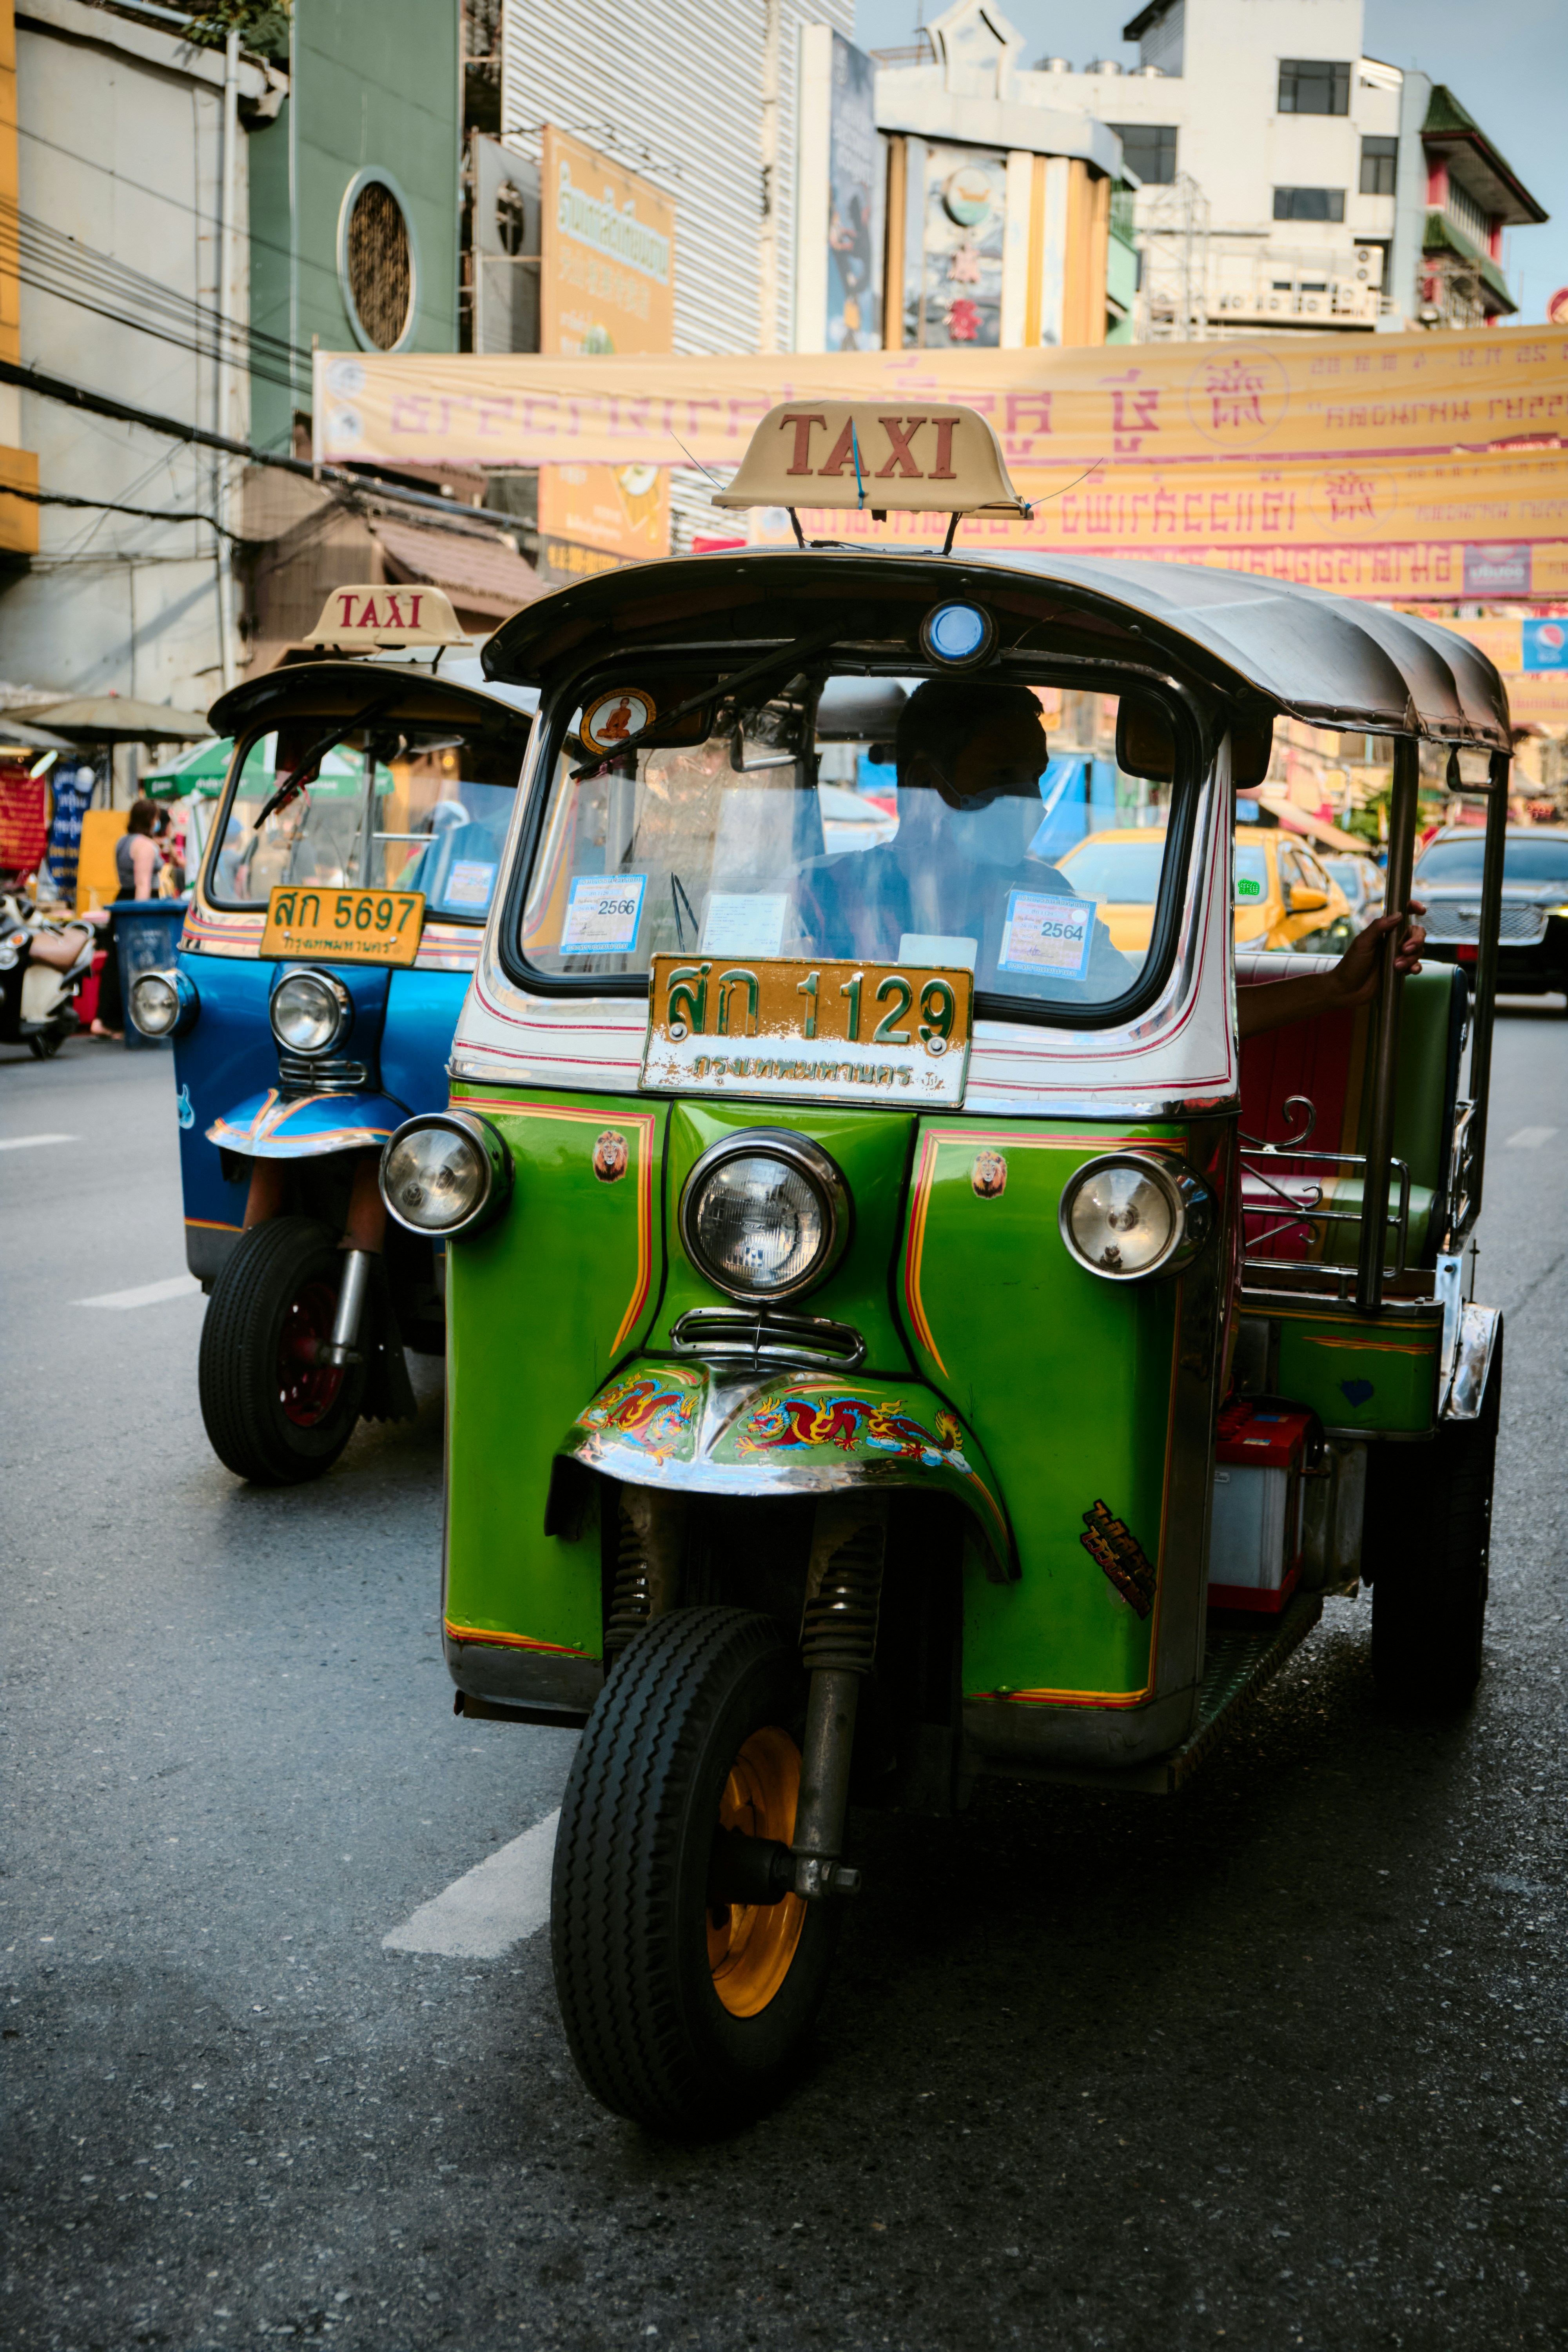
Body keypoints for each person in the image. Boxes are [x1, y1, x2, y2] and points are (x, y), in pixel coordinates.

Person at [815, 680, 1426, 1019]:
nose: (1028, 798)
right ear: (926, 784)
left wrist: (1335, 987)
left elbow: (1152, 1016)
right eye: (1005, 773)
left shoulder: (1042, 901)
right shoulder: (823, 897)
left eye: (1034, 775)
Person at [90, 797, 161, 1039]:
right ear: (151, 820)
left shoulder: (123, 842)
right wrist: (140, 921)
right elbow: (143, 884)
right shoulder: (144, 845)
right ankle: (122, 1020)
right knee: (137, 964)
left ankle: (104, 1019)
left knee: (115, 961)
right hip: (139, 905)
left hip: (123, 902)